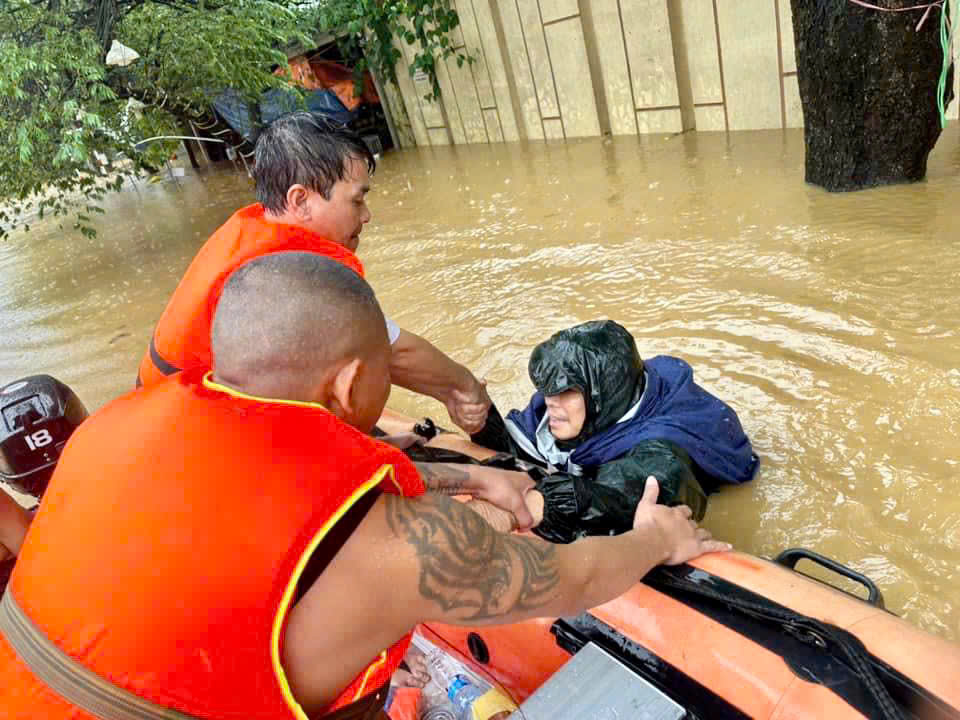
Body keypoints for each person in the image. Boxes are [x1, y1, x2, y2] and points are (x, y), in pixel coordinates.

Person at [0, 254, 729, 720]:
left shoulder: (116, 425)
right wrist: (656, 535)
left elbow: (270, 487)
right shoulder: (406, 549)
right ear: (352, 381)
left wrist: (470, 473)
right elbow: (572, 578)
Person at [136, 111, 491, 435]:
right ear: (300, 201)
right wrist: (463, 388)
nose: (366, 216)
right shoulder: (290, 270)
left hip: (162, 408)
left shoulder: (254, 228)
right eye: (356, 200)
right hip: (192, 426)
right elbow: (389, 351)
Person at [471, 320, 759, 543]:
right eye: (547, 390)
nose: (550, 401)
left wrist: (525, 508)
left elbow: (621, 492)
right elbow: (525, 451)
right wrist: (484, 424)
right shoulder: (566, 409)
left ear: (603, 395)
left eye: (564, 391)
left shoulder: (660, 450)